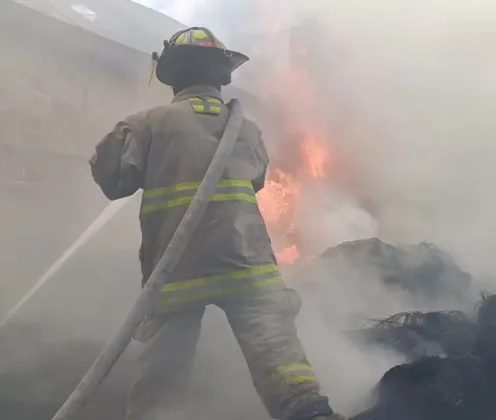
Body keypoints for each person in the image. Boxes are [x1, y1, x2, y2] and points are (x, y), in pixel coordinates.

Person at [89, 27, 343, 420]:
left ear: (172, 73)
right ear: (222, 75)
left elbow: (110, 179)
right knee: (278, 353)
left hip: (176, 271)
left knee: (162, 373)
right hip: (245, 263)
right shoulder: (246, 129)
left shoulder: (147, 124)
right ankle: (308, 410)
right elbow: (256, 178)